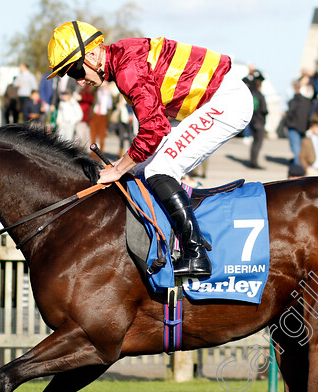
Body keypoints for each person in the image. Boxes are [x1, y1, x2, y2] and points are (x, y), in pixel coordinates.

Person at [46, 21, 254, 277]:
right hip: (214, 99)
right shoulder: (122, 60)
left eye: (75, 70)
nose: (78, 81)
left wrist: (118, 168)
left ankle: (195, 253)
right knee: (141, 169)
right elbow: (155, 127)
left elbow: (154, 129)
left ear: (91, 54)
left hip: (227, 101)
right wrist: (125, 166)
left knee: (159, 168)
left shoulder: (127, 69)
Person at [247, 72, 269, 169]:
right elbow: (263, 109)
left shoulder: (250, 93)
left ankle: (253, 161)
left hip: (253, 120)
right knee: (258, 142)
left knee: (255, 142)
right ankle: (254, 162)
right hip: (258, 121)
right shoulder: (259, 94)